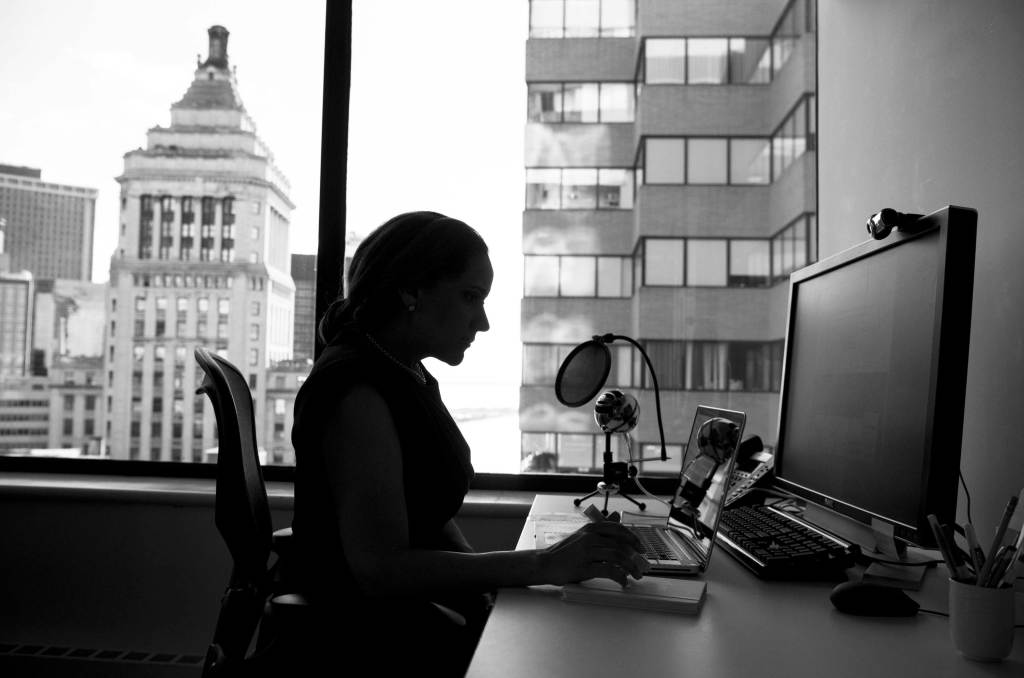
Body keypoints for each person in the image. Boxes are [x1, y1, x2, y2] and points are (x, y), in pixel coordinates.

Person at [282, 211, 649, 676]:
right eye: (470, 297)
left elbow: (429, 515)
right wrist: (541, 565)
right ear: (411, 290)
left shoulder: (404, 370)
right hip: (361, 637)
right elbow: (379, 570)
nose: (484, 322)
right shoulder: (356, 390)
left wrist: (489, 592)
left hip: (402, 614)